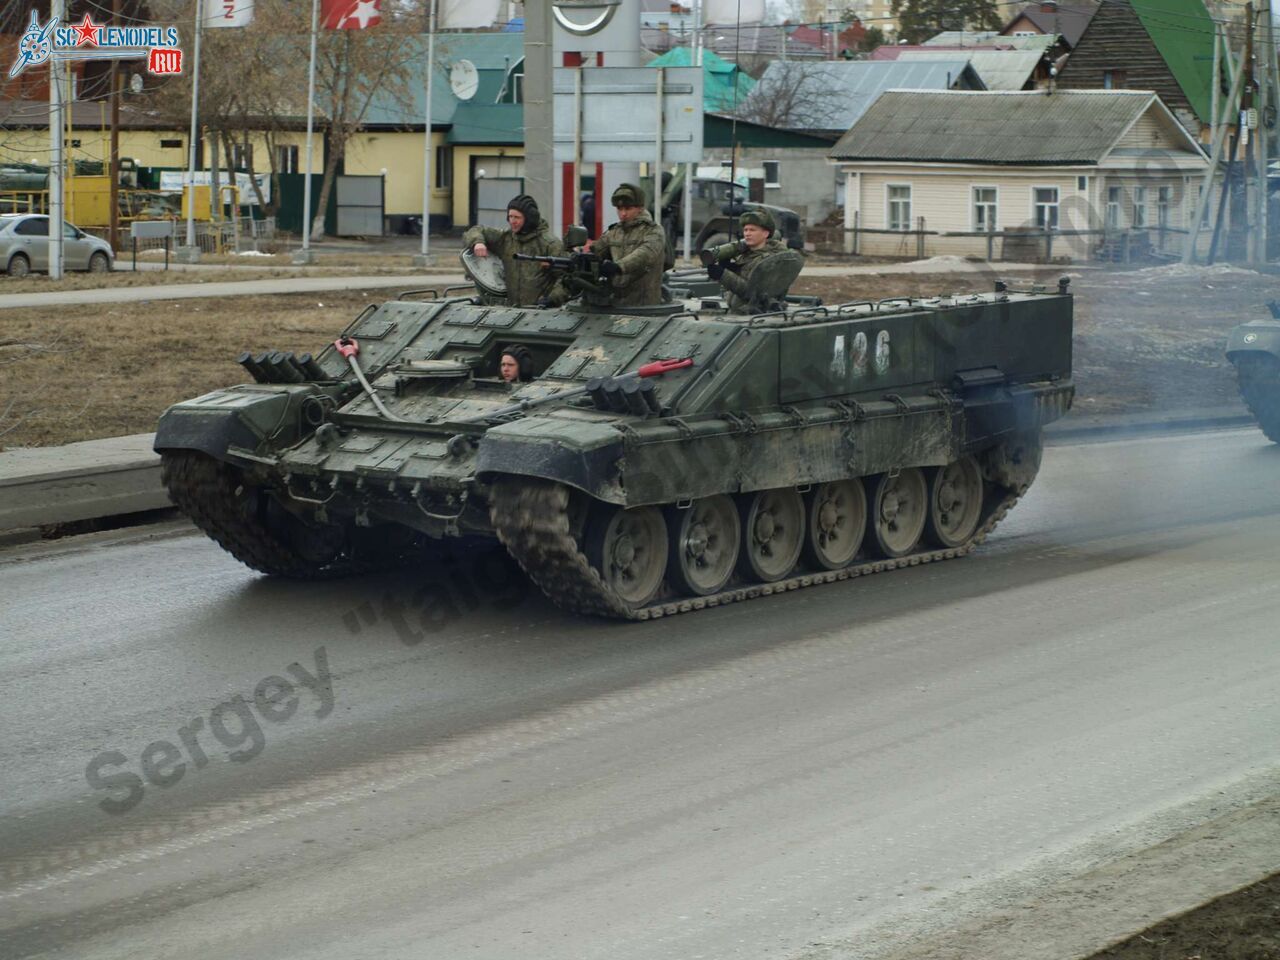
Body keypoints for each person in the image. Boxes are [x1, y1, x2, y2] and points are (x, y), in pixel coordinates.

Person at [462, 195, 569, 308]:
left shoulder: (550, 244)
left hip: (541, 311)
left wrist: (552, 299)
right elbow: (476, 230)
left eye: (517, 217)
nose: (512, 221)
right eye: (510, 217)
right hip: (513, 311)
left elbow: (566, 278)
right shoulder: (506, 239)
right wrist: (478, 242)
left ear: (529, 219)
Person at [706, 209, 804, 314]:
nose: (747, 234)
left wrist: (723, 275)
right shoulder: (748, 254)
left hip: (753, 314)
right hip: (739, 311)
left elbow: (752, 293)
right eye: (745, 230)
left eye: (752, 230)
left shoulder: (772, 260)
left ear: (766, 234)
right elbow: (744, 278)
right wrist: (731, 269)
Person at [587, 183, 668, 307]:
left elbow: (646, 253)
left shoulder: (653, 230)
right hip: (617, 302)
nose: (623, 214)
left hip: (644, 305)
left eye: (628, 209)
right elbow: (596, 252)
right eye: (619, 209)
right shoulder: (613, 232)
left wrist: (618, 266)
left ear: (640, 208)